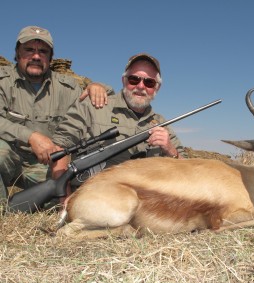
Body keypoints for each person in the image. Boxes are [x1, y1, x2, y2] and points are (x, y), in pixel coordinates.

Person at [0, 25, 114, 201]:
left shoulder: (69, 87)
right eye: (29, 50)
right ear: (17, 53)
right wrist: (31, 137)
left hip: (46, 167)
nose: (36, 56)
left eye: (43, 51)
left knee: (80, 190)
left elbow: (109, 103)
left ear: (50, 57)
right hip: (9, 159)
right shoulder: (3, 81)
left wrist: (99, 87)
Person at [52, 53, 188, 190]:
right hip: (90, 197)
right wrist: (64, 197)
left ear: (157, 88)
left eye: (149, 82)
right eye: (134, 79)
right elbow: (60, 145)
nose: (141, 86)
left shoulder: (161, 123)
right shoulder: (93, 105)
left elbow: (189, 168)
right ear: (123, 80)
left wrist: (171, 151)